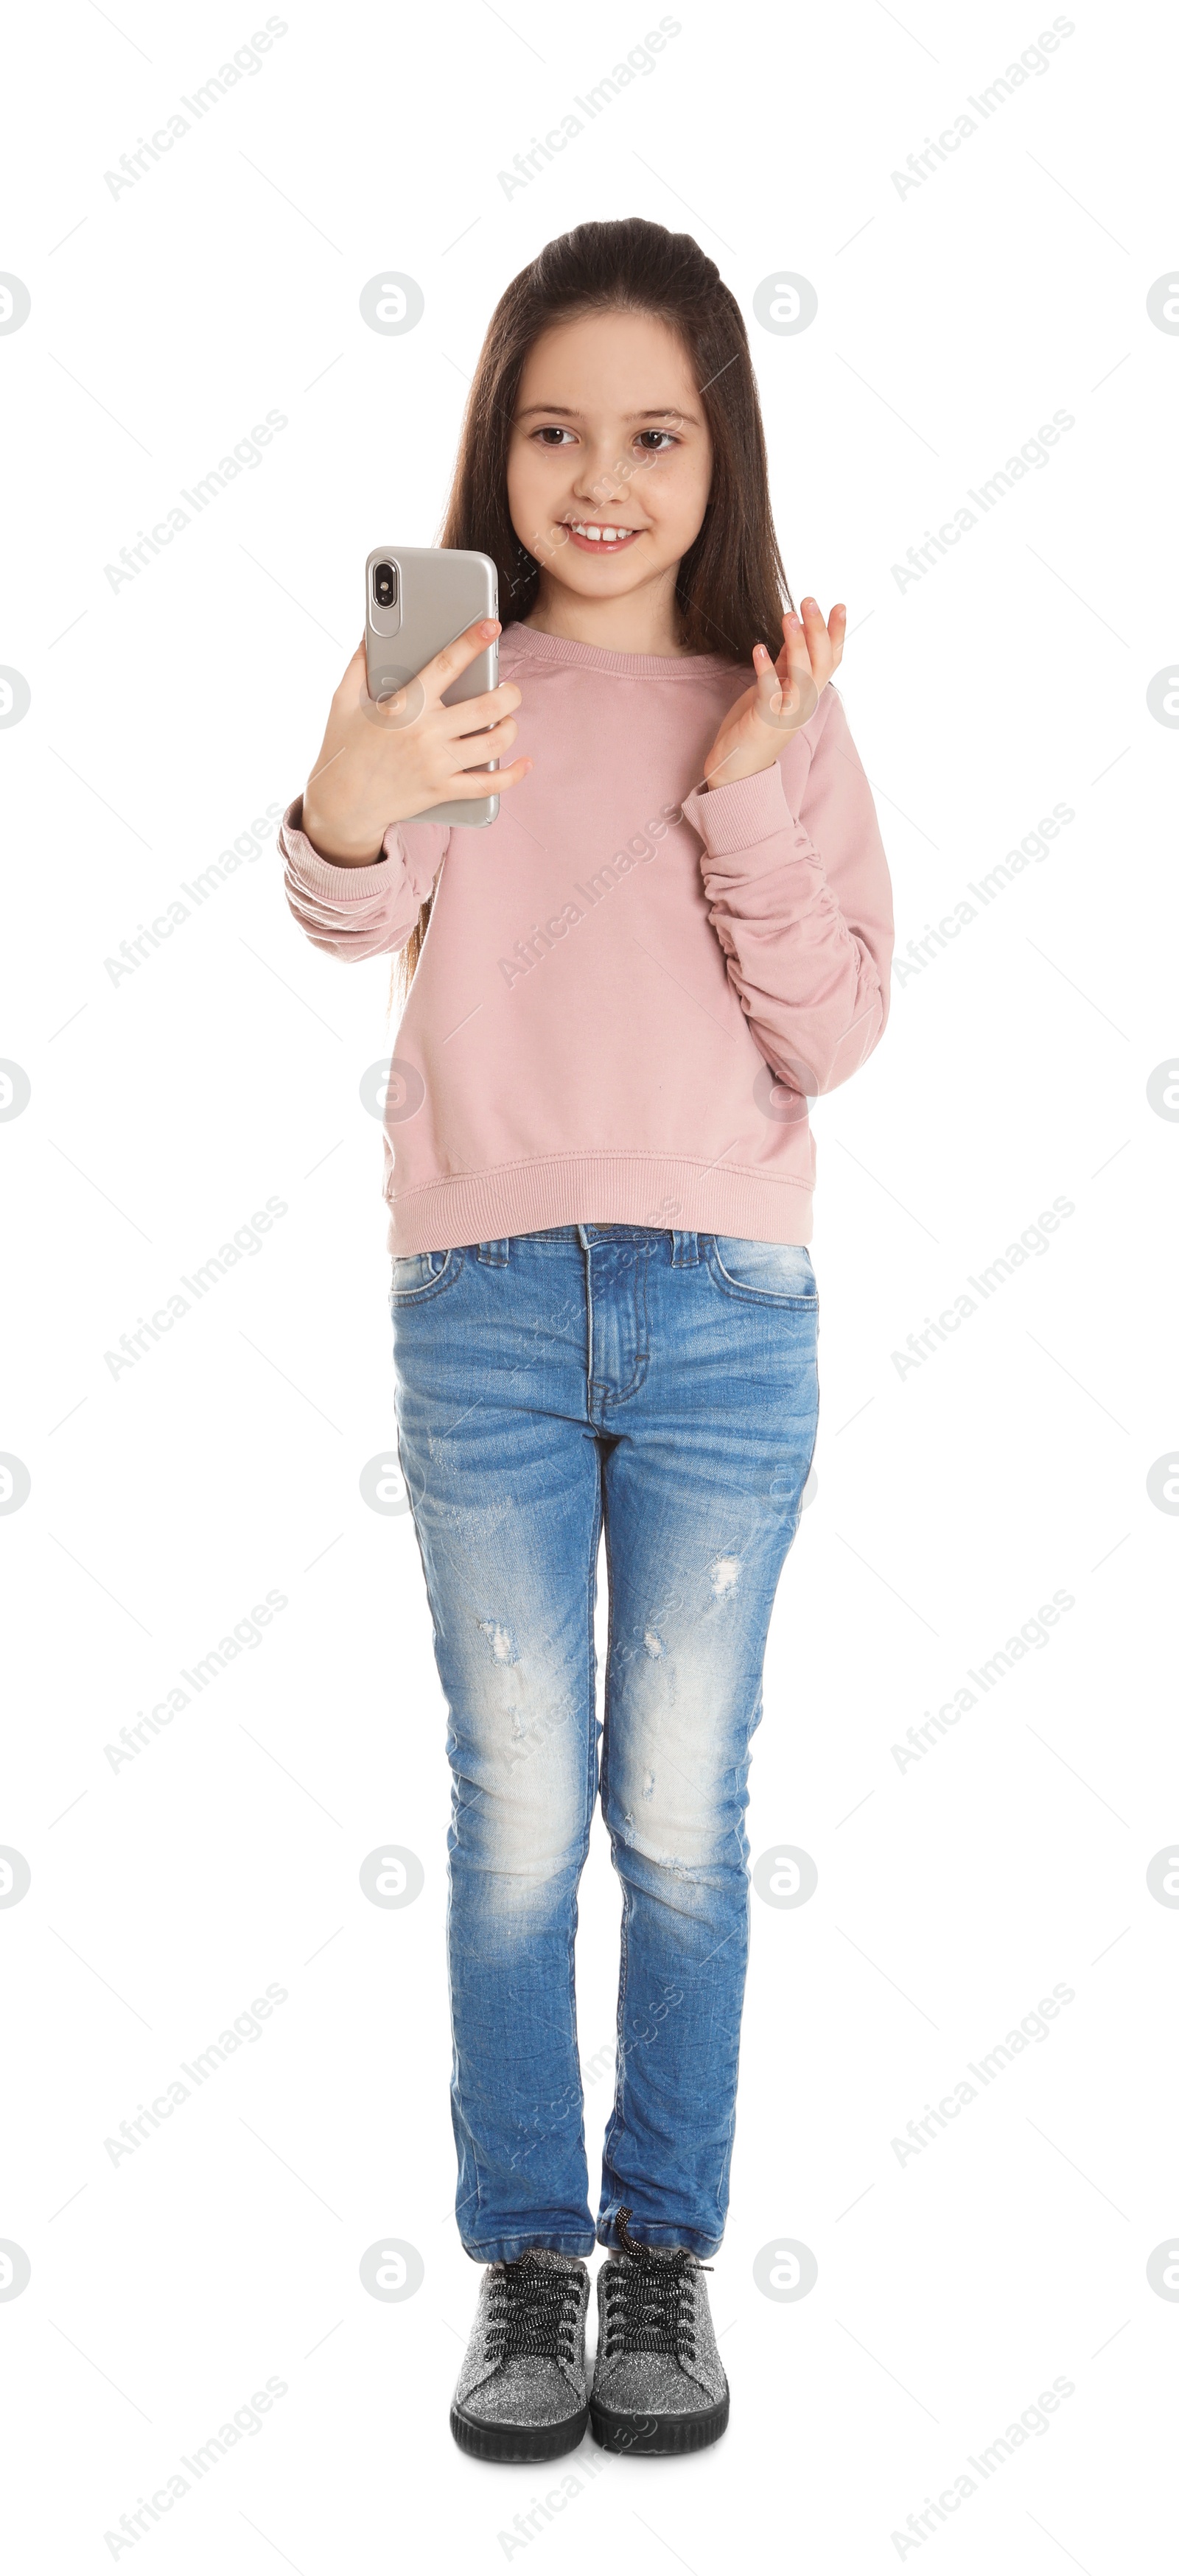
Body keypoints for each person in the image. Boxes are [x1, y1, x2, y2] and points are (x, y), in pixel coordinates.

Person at [280, 216, 893, 2461]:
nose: (602, 477)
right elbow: (353, 903)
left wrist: (749, 787)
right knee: (523, 1810)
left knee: (682, 1814)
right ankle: (531, 2262)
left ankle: (665, 2255)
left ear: (718, 453)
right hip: (487, 1310)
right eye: (555, 431)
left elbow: (833, 1032)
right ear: (499, 452)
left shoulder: (781, 716)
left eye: (652, 432)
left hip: (729, 1313)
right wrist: (353, 779)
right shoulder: (462, 689)